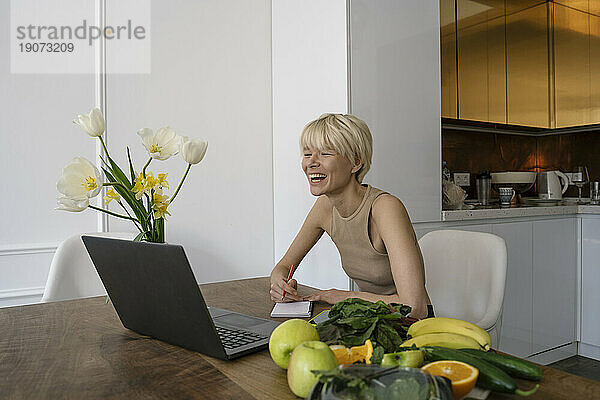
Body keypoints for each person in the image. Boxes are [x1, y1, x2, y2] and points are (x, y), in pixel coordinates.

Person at [269, 113, 433, 319]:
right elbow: (283, 267)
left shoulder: (385, 208)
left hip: (409, 322)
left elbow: (414, 306)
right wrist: (280, 284)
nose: (311, 163)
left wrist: (347, 297)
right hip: (367, 316)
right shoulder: (324, 207)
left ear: (356, 162)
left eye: (325, 154)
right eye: (307, 154)